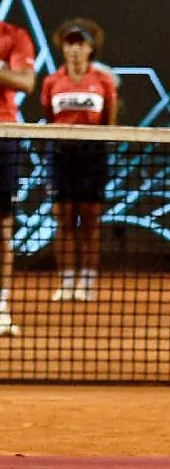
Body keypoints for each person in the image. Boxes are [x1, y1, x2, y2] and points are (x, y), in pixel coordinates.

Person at [41, 19, 118, 303]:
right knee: (63, 218)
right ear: (63, 48)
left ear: (90, 49)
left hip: (92, 156)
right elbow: (49, 117)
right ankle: (66, 281)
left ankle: (86, 282)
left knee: (90, 219)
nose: (74, 49)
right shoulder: (52, 81)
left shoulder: (103, 81)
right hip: (61, 154)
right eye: (70, 43)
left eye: (80, 44)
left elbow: (110, 121)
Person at [0, 17, 35, 336]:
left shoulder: (15, 36)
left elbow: (26, 82)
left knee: (3, 227)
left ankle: (1, 307)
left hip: (3, 133)